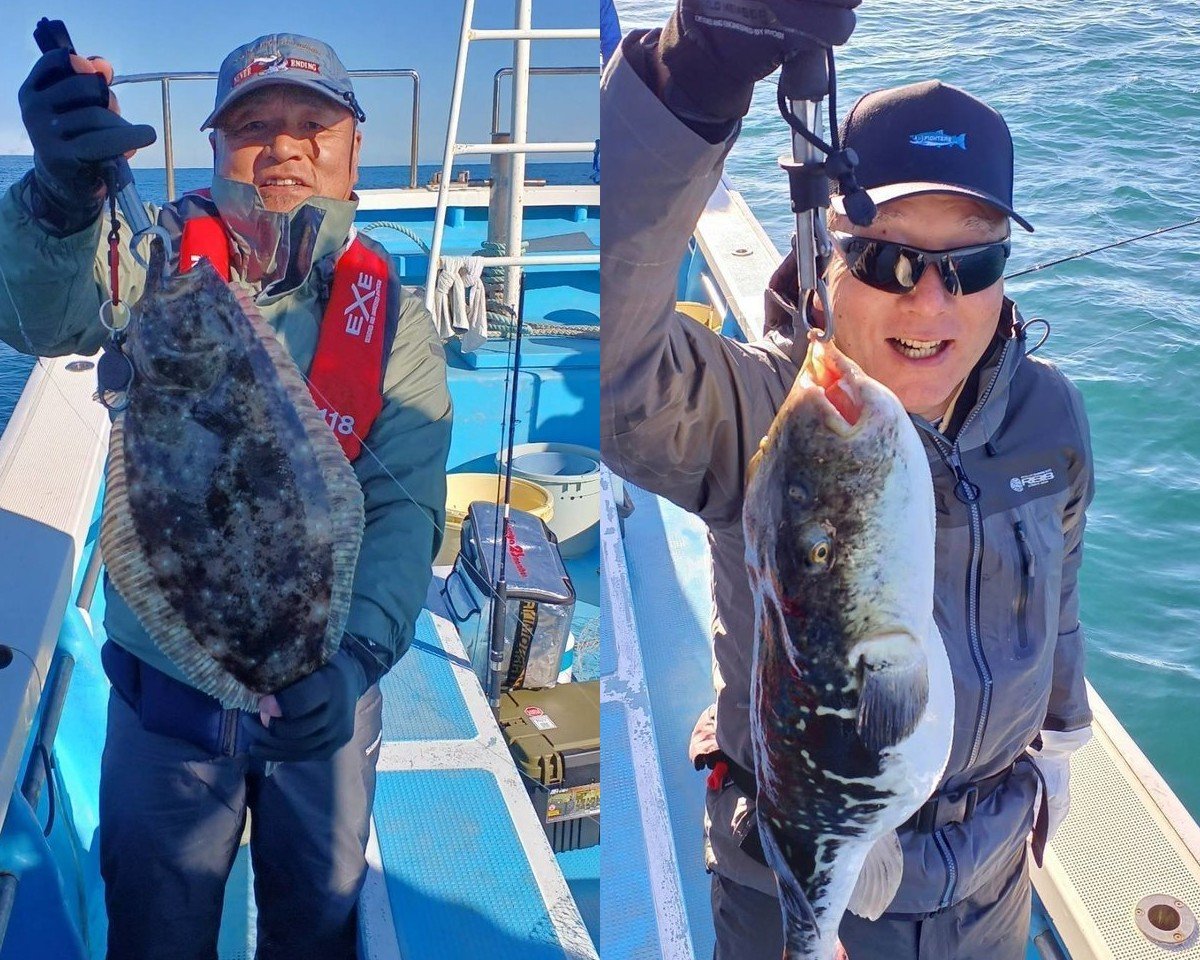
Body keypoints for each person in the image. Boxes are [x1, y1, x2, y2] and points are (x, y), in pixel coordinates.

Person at [600, 2, 1094, 958]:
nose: (930, 300)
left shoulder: (1047, 418)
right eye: (890, 258)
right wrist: (685, 84)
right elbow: (618, 378)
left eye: (972, 263)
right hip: (791, 859)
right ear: (828, 256)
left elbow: (1059, 601)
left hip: (992, 874)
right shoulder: (766, 417)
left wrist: (1063, 738)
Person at [1, 34, 452, 960]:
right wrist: (60, 199)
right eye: (252, 127)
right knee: (156, 932)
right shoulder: (151, 257)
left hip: (325, 685)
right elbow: (36, 313)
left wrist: (359, 654)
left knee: (317, 925)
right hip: (167, 700)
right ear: (215, 149)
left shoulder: (394, 317)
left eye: (310, 126)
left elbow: (405, 509)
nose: (283, 149)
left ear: (353, 149)